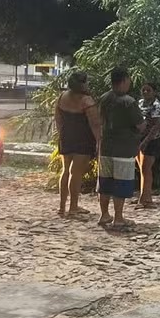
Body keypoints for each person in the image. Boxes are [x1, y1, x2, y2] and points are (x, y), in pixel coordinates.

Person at [97, 67, 145, 229]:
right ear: (124, 80)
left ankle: (104, 214)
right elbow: (139, 125)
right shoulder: (128, 102)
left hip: (106, 147)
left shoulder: (104, 98)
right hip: (124, 149)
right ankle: (118, 217)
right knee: (121, 183)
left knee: (105, 182)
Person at [54, 71, 101, 217]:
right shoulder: (86, 101)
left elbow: (58, 118)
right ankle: (73, 206)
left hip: (66, 137)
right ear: (83, 83)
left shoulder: (62, 97)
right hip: (83, 139)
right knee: (76, 173)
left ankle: (62, 206)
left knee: (65, 171)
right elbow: (95, 124)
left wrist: (62, 133)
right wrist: (99, 141)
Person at [136, 82, 160, 208]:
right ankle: (144, 196)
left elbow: (156, 126)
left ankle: (145, 199)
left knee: (146, 169)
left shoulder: (157, 106)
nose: (146, 92)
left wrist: (145, 142)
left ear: (154, 92)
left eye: (149, 90)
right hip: (139, 139)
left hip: (152, 141)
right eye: (144, 90)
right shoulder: (140, 103)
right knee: (142, 169)